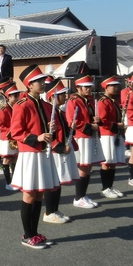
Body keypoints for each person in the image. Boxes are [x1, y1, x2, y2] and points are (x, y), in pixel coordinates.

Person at [9, 65, 60, 249]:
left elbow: (45, 128)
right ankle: (27, 235)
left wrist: (50, 130)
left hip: (43, 153)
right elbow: (15, 132)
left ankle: (35, 232)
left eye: (42, 80)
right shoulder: (21, 105)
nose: (42, 83)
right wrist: (37, 137)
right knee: (29, 195)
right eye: (38, 81)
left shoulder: (46, 105)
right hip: (30, 154)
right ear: (29, 85)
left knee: (39, 195)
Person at [66, 74, 104, 209]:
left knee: (88, 168)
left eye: (90, 87)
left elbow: (88, 117)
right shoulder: (73, 100)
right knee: (83, 167)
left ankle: (83, 195)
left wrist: (96, 120)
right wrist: (90, 126)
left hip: (89, 136)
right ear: (78, 88)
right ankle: (78, 197)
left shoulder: (86, 100)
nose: (88, 89)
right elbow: (72, 121)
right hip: (80, 136)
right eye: (86, 87)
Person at [43, 79, 77, 224]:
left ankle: (55, 209)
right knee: (52, 182)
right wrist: (60, 147)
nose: (65, 97)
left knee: (58, 182)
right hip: (54, 152)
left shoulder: (58, 111)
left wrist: (72, 128)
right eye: (63, 94)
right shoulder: (48, 112)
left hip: (61, 150)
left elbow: (63, 131)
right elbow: (47, 134)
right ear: (53, 97)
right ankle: (49, 212)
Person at [96, 76, 126, 199]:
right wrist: (116, 125)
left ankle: (110, 186)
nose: (115, 88)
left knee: (112, 163)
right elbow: (102, 121)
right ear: (106, 87)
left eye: (116, 85)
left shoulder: (114, 101)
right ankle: (105, 188)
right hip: (106, 134)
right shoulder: (103, 101)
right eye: (112, 86)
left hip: (114, 133)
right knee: (106, 162)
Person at [0, 82, 19, 191]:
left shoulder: (16, 107)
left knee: (14, 159)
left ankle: (14, 181)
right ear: (8, 97)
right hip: (7, 138)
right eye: (15, 96)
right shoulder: (4, 109)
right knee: (6, 160)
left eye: (17, 95)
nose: (17, 98)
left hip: (14, 137)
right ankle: (8, 182)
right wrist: (11, 132)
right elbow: (2, 126)